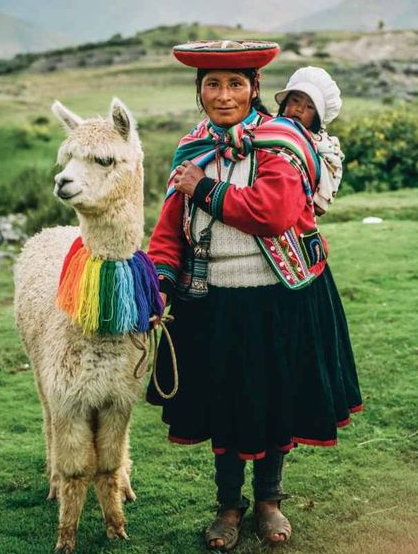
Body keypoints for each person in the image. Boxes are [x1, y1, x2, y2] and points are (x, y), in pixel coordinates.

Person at [146, 40, 362, 550]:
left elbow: (274, 211)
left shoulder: (279, 140)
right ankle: (228, 506)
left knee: (272, 401)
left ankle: (268, 501)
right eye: (213, 85)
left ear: (255, 88)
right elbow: (169, 227)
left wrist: (204, 189)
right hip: (214, 298)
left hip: (279, 296)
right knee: (225, 403)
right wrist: (158, 276)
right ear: (198, 91)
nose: (224, 96)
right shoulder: (192, 148)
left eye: (236, 84)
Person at [274, 66, 344, 216]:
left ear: (317, 118)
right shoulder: (268, 128)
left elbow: (319, 208)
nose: (299, 109)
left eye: (310, 107)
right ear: (285, 102)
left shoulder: (322, 148)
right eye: (295, 100)